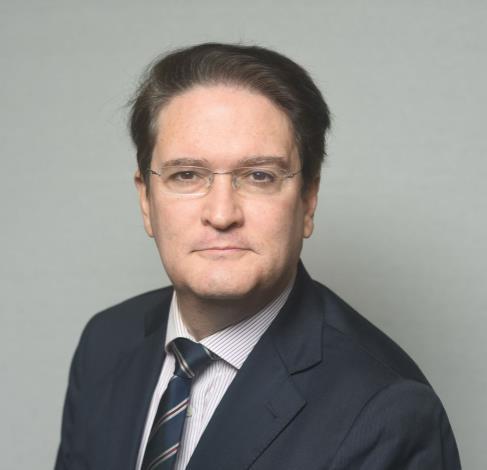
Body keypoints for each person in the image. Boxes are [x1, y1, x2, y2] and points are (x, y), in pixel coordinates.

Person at [55, 43, 461, 470]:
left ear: (307, 201)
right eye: (187, 175)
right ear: (146, 200)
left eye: (259, 176)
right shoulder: (105, 343)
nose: (221, 214)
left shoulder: (388, 412)